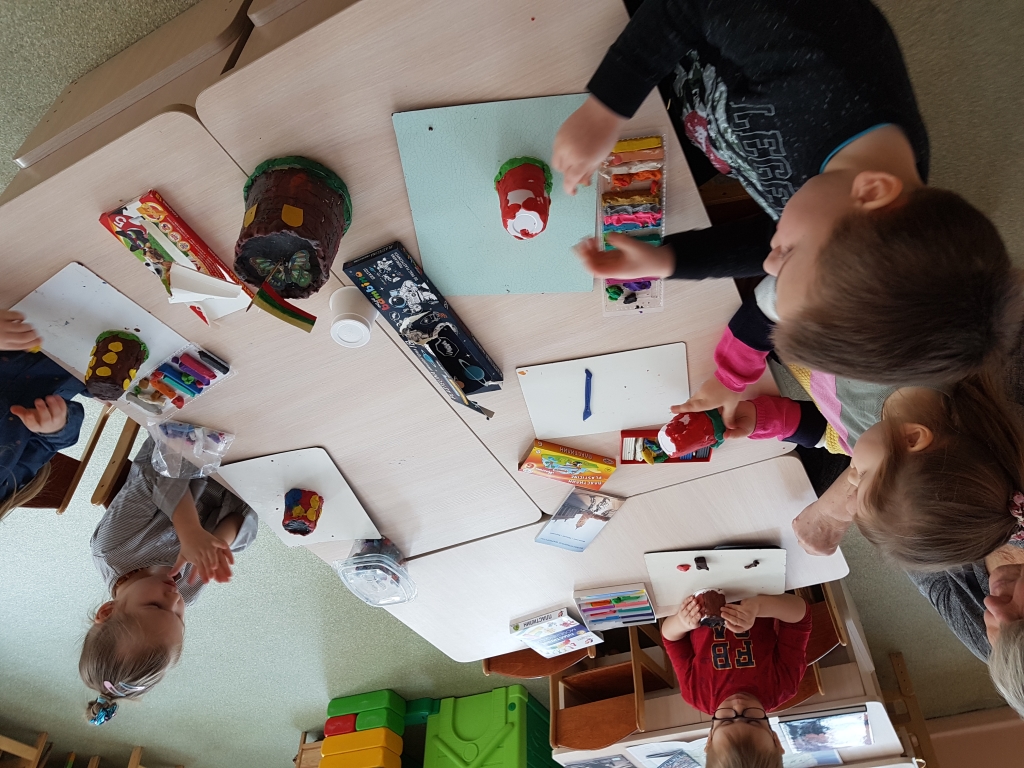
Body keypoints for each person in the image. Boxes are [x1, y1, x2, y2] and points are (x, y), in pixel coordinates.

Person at [552, 0, 1021, 387]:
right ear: (873, 193)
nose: (770, 264)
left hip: (701, 110)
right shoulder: (826, 66)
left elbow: (769, 241)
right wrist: (607, 106)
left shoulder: (850, 205)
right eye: (789, 255)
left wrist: (670, 261)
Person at [80, 437, 257, 725]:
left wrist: (190, 531)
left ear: (108, 610)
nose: (175, 600)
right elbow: (244, 517)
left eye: (156, 607)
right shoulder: (185, 592)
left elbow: (160, 463)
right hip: (245, 466)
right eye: (179, 617)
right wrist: (219, 543)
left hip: (194, 434)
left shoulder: (112, 547)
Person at [660, 592, 811, 767]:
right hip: (753, 585)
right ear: (775, 738)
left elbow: (671, 639)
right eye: (753, 720)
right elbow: (801, 616)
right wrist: (759, 607)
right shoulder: (783, 685)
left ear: (710, 738)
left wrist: (681, 622)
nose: (738, 705)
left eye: (726, 720)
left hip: (694, 590)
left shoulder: (695, 693)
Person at [908, 543, 1024, 717]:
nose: (990, 603)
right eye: (1021, 619)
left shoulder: (984, 643)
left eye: (1001, 639)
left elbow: (915, 558)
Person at [0, 310, 85, 521]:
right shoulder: (6, 485)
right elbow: (47, 444)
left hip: (18, 313)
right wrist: (55, 427)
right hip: (68, 361)